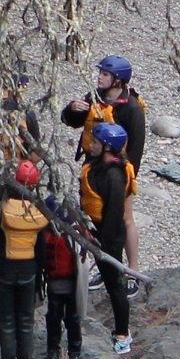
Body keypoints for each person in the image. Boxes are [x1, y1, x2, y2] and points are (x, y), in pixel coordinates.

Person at [62, 55, 147, 276]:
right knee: (96, 216)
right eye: (101, 73)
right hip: (94, 168)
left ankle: (133, 269)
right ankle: (106, 267)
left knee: (125, 218)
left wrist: (127, 179)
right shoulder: (95, 97)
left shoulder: (132, 109)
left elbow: (136, 148)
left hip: (119, 172)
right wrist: (72, 110)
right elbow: (71, 121)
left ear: (117, 80)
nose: (100, 77)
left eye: (105, 74)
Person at [0, 159, 50, 359]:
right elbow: (41, 251)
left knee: (6, 324)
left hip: (3, 271)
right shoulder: (38, 212)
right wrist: (40, 280)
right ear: (34, 185)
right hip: (29, 271)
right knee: (26, 323)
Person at [77, 121, 136, 358]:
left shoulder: (113, 176)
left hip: (106, 236)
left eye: (95, 142)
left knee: (115, 286)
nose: (90, 145)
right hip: (92, 229)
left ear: (108, 147)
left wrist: (101, 243)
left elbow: (113, 215)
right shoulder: (96, 165)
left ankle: (123, 333)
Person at [38, 201, 84, 359]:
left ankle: (74, 354)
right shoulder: (46, 235)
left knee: (72, 319)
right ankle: (53, 351)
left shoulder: (73, 234)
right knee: (53, 318)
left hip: (71, 284)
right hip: (54, 284)